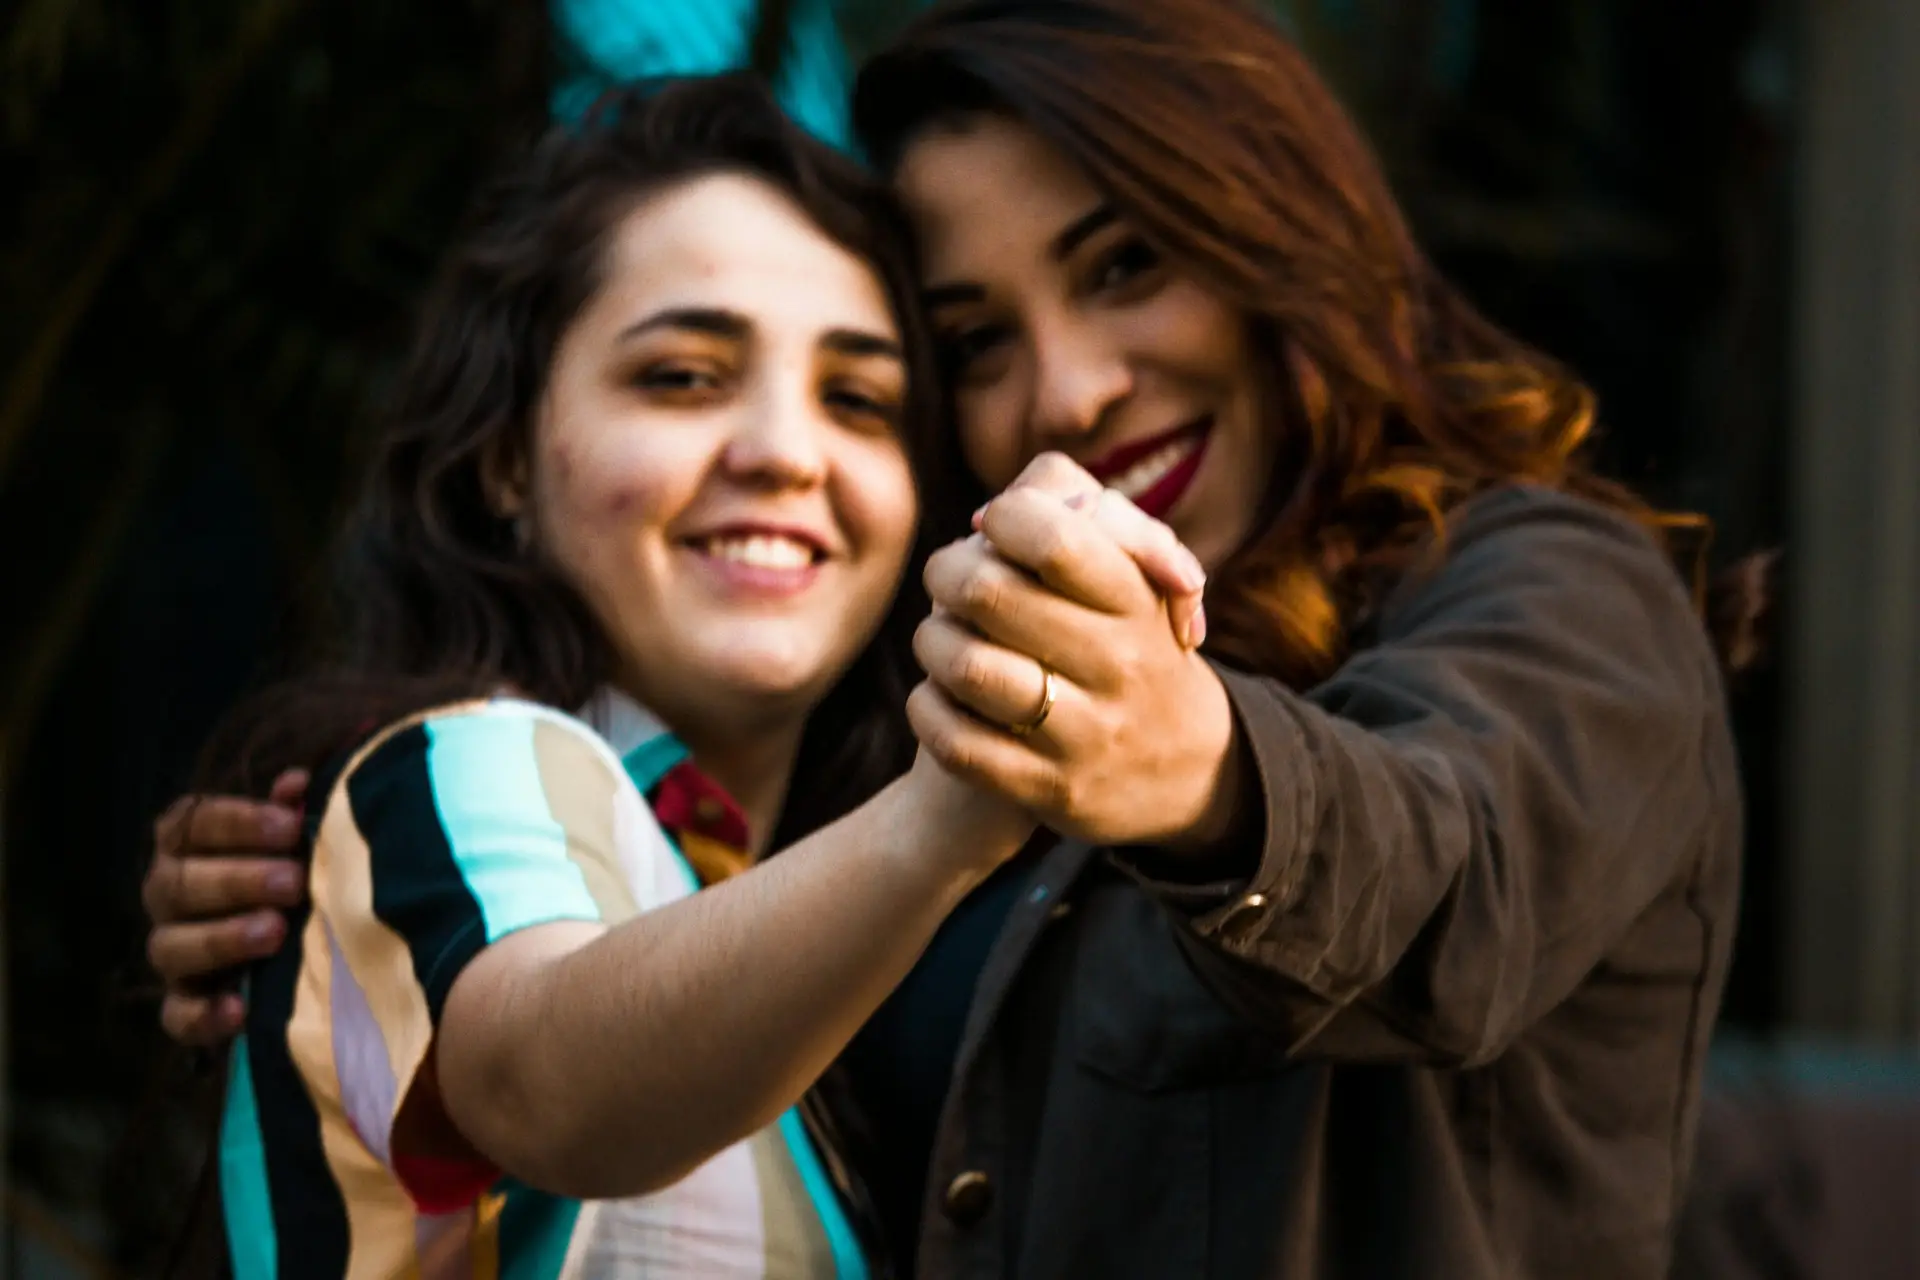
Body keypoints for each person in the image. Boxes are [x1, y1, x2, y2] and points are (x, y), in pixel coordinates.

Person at [147, 2, 1761, 1277]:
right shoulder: (852, 797)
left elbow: (1453, 863)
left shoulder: (1552, 590)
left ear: (1279, 234)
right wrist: (343, 900)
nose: (1066, 393)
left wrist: (1194, 771)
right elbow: (560, 1048)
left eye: (1126, 266)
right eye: (977, 342)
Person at [166, 70, 1196, 1278]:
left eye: (858, 399)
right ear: (505, 456)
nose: (781, 453)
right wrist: (958, 798)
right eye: (683, 376)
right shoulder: (470, 759)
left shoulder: (822, 926)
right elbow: (546, 1077)